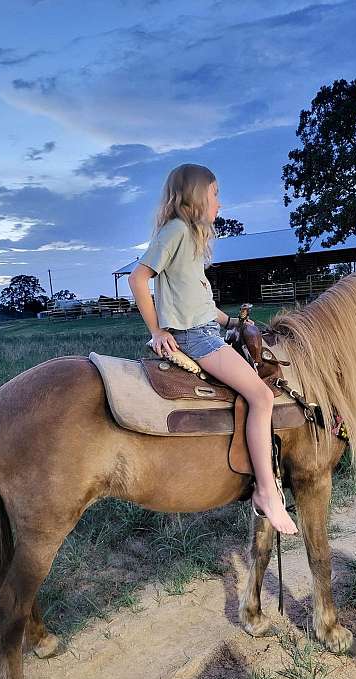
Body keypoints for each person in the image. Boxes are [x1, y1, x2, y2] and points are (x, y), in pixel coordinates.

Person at [128, 163, 298, 536]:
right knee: (261, 396)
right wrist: (157, 331)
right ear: (196, 195)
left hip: (207, 329)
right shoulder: (174, 231)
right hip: (194, 337)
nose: (219, 202)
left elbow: (201, 302)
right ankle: (267, 493)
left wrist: (233, 323)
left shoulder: (192, 238)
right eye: (215, 193)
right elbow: (138, 278)